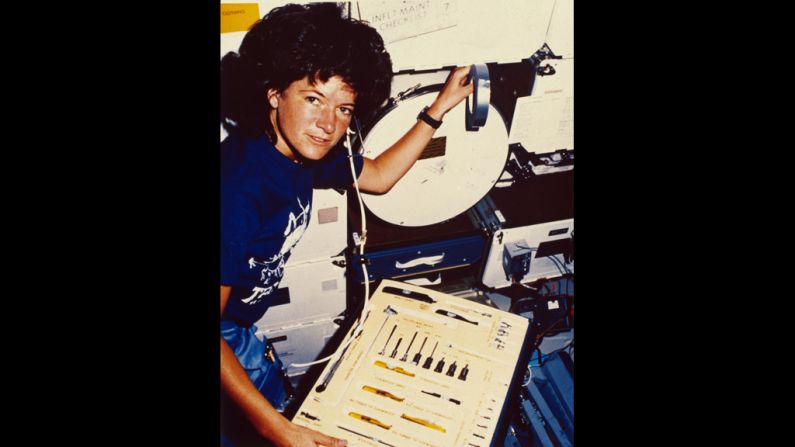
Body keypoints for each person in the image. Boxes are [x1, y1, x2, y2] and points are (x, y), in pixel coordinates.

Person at [220, 3, 473, 446]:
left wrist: (438, 108)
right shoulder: (237, 193)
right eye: (314, 99)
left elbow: (377, 177)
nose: (327, 124)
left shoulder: (299, 149)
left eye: (344, 109)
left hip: (239, 324)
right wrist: (275, 429)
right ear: (274, 92)